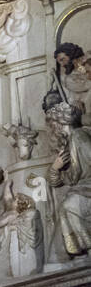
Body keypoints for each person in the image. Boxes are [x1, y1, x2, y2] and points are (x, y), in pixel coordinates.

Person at [47, 102, 91, 256]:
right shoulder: (69, 142)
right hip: (83, 186)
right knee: (67, 205)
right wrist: (55, 167)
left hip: (88, 186)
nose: (53, 128)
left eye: (53, 124)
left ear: (60, 123)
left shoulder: (79, 136)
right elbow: (60, 180)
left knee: (69, 205)